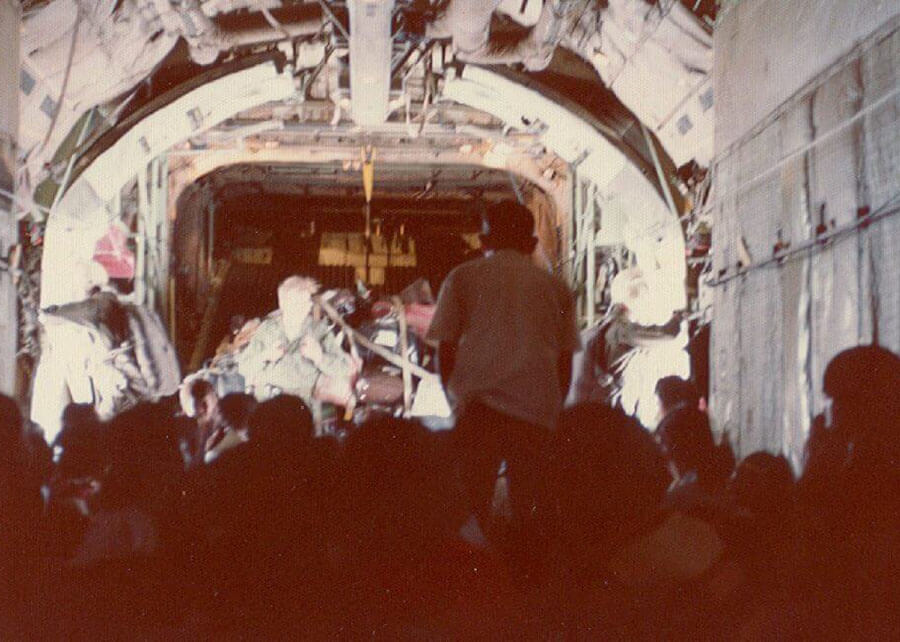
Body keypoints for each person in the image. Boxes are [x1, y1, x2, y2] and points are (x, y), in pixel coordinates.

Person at [427, 200, 580, 577]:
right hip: (536, 413)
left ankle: (471, 589)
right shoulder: (556, 288)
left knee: (471, 509)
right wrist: (551, 407)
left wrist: (457, 398)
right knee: (532, 511)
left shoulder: (462, 278)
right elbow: (565, 360)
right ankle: (530, 593)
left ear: (483, 240)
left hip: (479, 411)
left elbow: (444, 349)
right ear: (531, 243)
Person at [235, 275, 359, 408]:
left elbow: (344, 368)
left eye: (306, 302)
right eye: (297, 303)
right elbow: (243, 367)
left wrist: (319, 357)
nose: (305, 308)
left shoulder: (318, 330)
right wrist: (265, 355)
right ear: (283, 303)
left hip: (302, 404)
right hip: (267, 402)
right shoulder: (267, 329)